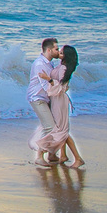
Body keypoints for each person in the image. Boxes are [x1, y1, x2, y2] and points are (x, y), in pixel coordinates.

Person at [32, 45, 85, 169]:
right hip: (56, 99)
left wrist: (48, 79)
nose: (59, 54)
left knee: (61, 130)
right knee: (60, 129)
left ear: (66, 56)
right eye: (59, 52)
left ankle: (78, 158)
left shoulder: (64, 68)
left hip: (59, 101)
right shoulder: (61, 66)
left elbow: (61, 87)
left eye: (61, 53)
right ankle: (63, 155)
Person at [27, 37, 61, 165]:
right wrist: (60, 91)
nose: (58, 51)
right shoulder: (40, 64)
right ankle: (39, 156)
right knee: (50, 127)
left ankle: (52, 155)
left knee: (57, 126)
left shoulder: (49, 62)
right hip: (37, 98)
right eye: (56, 49)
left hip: (46, 97)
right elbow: (46, 86)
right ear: (49, 50)